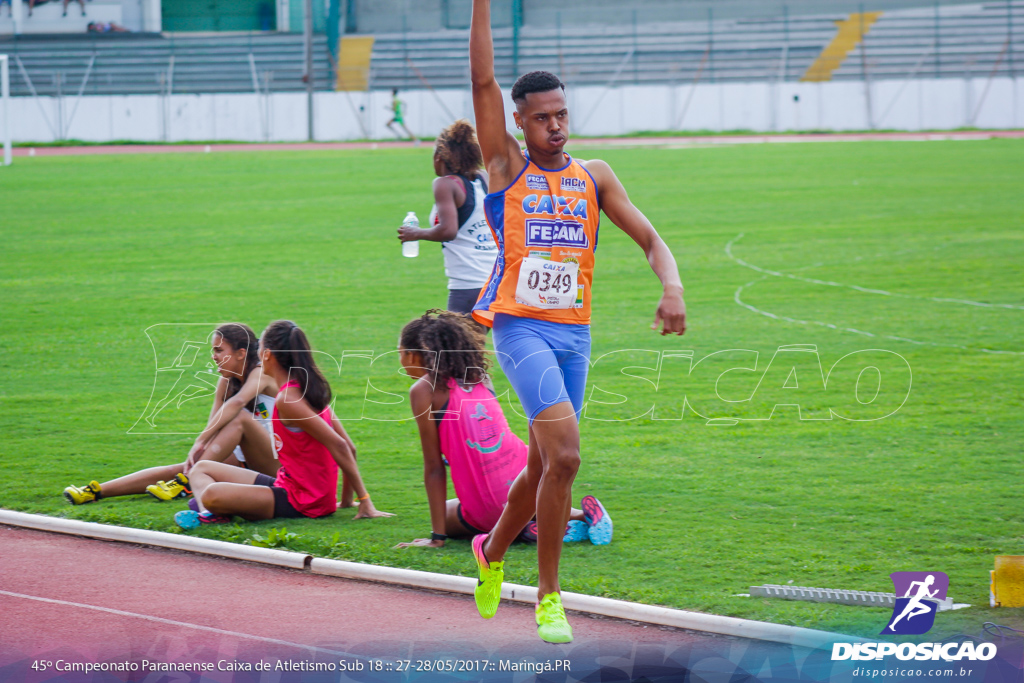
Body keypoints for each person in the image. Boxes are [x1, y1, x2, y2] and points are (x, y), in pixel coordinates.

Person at [465, 0, 688, 643]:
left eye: (563, 114)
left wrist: (670, 285)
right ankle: (549, 597)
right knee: (566, 455)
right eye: (542, 118)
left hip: (574, 333)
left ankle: (490, 550)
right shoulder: (508, 168)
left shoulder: (595, 177)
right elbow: (482, 81)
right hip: (520, 328)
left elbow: (651, 239)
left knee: (542, 467)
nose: (556, 127)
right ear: (519, 121)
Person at [393, 310, 609, 549]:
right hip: (526, 478)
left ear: (414, 355)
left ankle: (523, 529)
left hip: (491, 502)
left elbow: (434, 467)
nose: (401, 361)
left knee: (446, 513)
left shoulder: (424, 391)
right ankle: (574, 515)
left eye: (401, 353)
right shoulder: (479, 375)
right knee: (521, 483)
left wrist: (437, 538)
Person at [174, 320, 392, 528]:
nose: (257, 357)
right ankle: (212, 514)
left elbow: (341, 446)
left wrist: (364, 500)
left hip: (301, 501)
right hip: (287, 485)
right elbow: (349, 447)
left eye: (260, 350)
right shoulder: (307, 389)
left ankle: (213, 513)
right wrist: (345, 501)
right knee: (201, 469)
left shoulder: (288, 400)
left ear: (267, 355)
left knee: (212, 494)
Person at [63, 323, 280, 505]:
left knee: (238, 421)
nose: (213, 356)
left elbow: (238, 403)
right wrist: (200, 449)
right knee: (180, 468)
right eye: (213, 350)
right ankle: (95, 491)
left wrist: (201, 440)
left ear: (241, 353)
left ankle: (185, 482)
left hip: (278, 466)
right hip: (247, 460)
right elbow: (215, 419)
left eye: (219, 350)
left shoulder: (261, 373)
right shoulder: (227, 378)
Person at [397, 120, 496, 315]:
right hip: (495, 279)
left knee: (454, 345)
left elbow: (448, 230)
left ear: (439, 157)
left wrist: (415, 233)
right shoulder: (483, 177)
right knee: (473, 343)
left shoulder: (444, 184)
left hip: (469, 283)